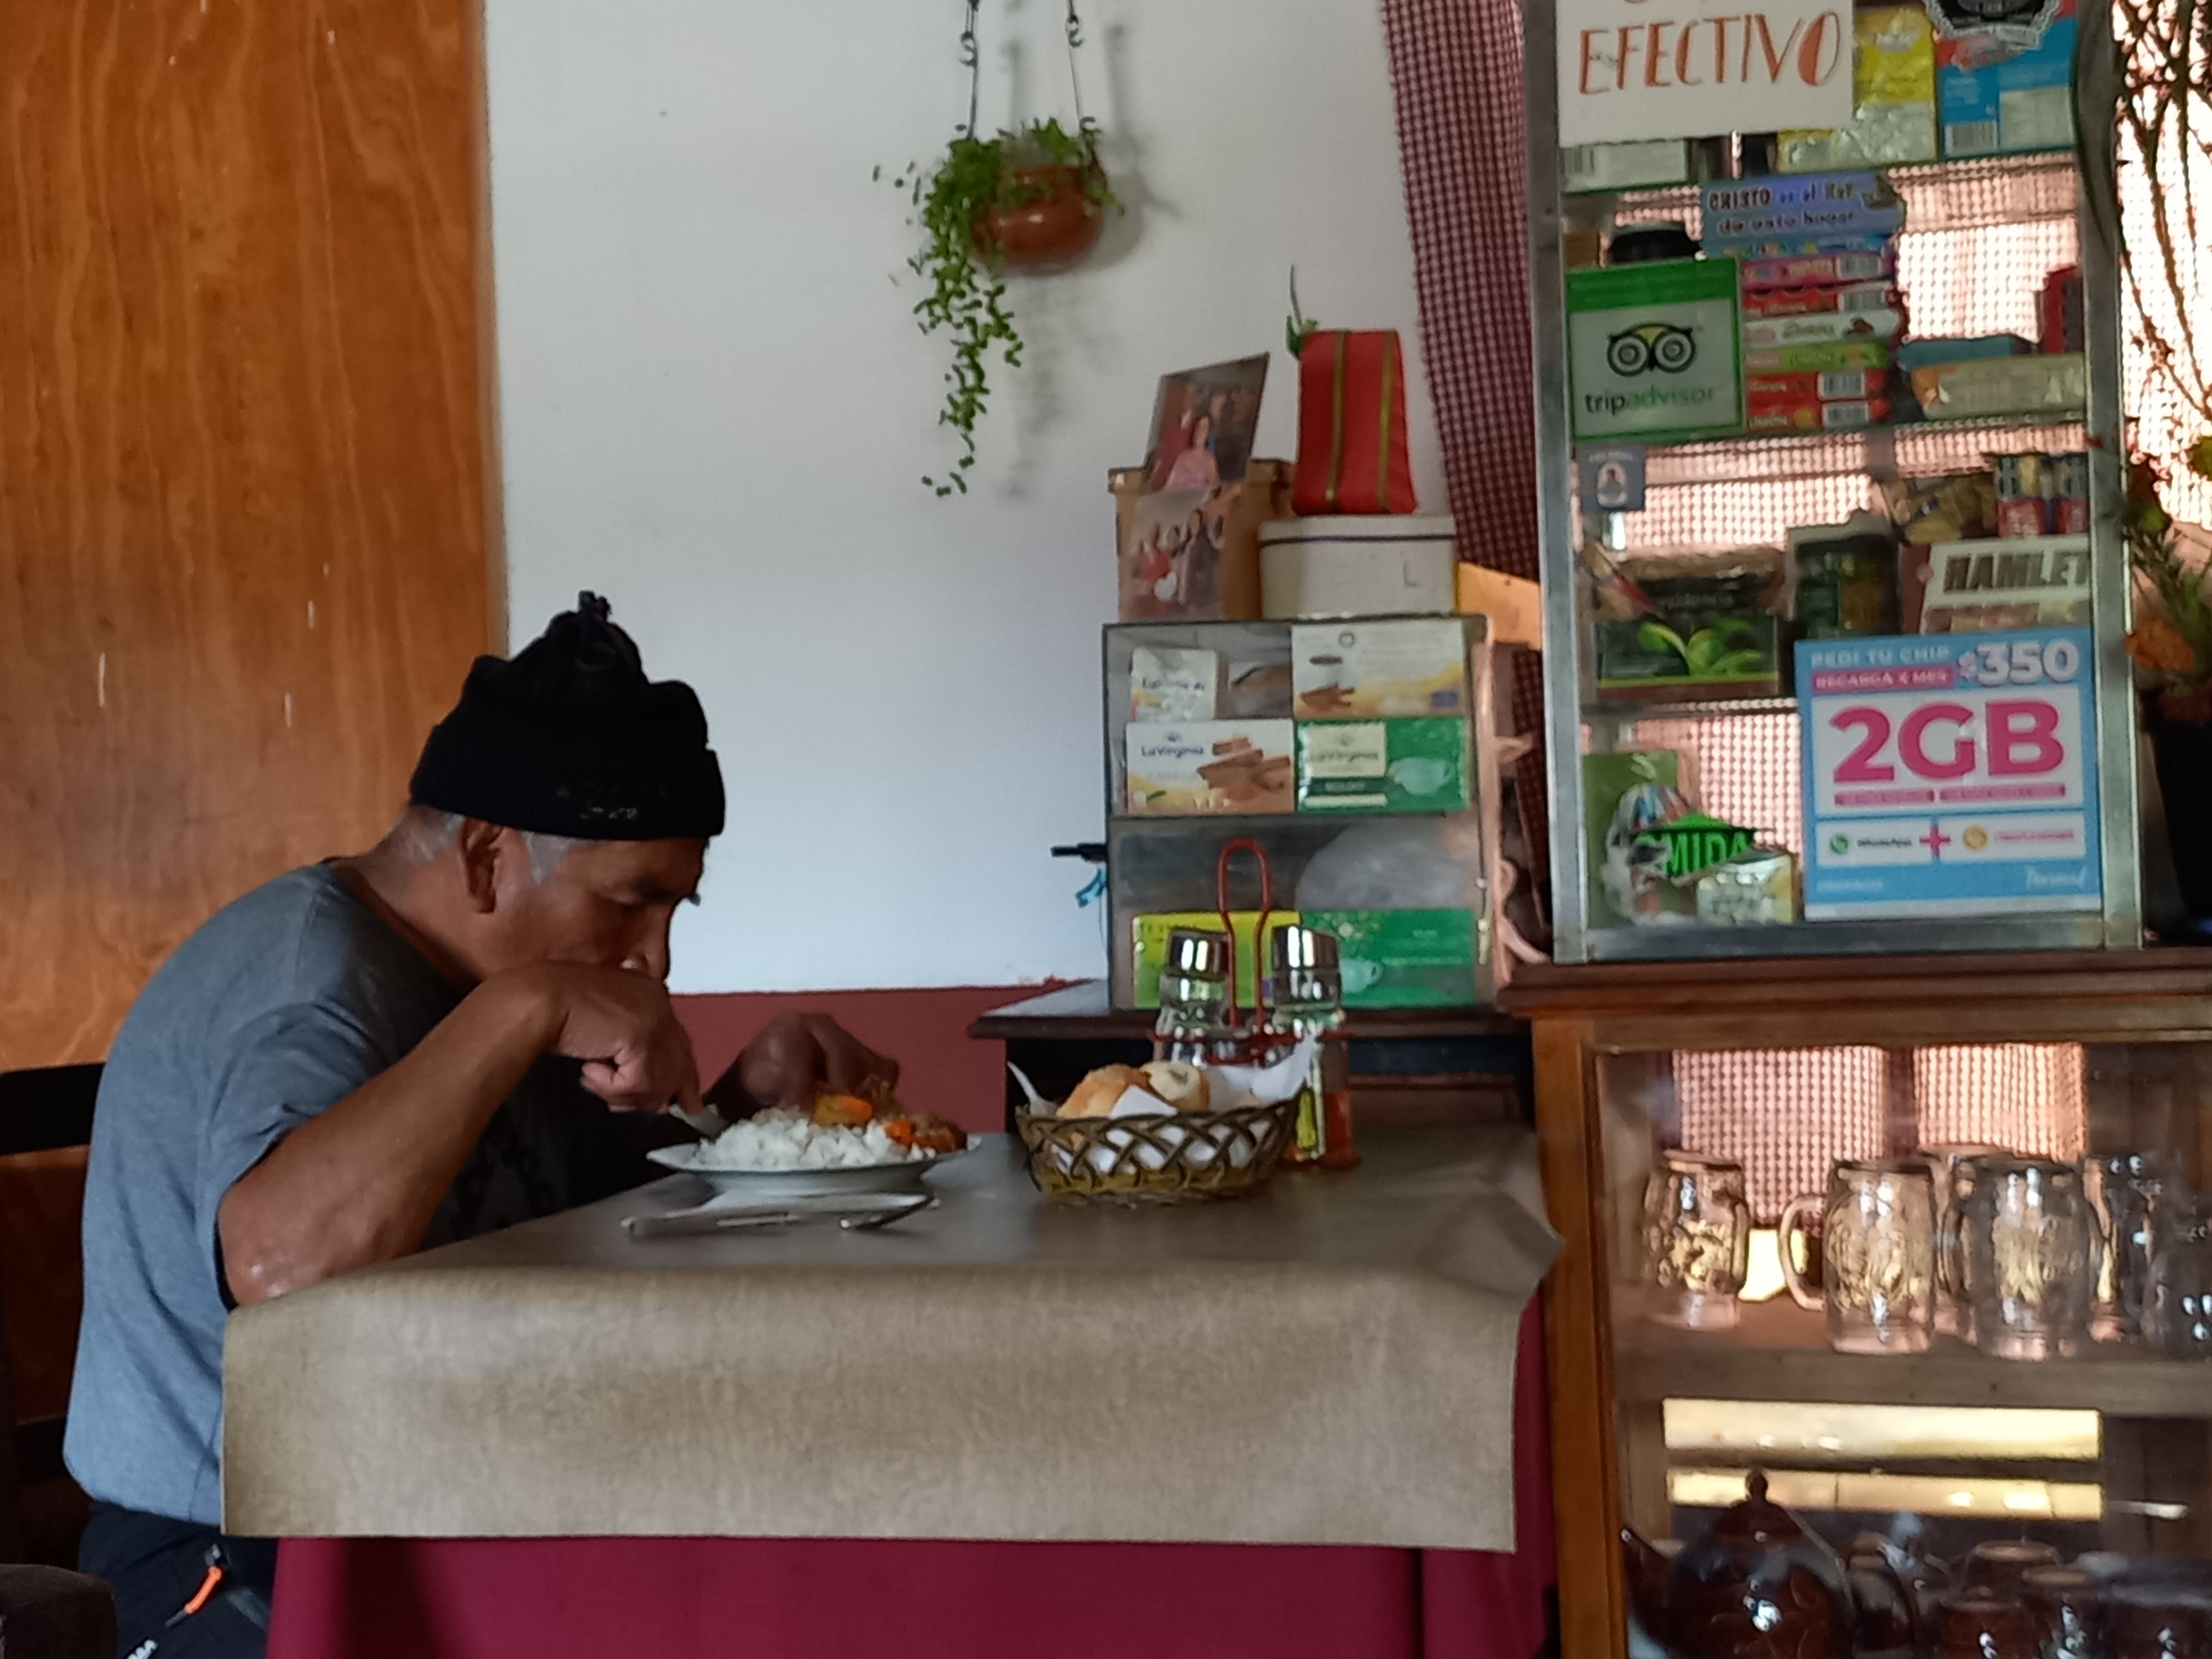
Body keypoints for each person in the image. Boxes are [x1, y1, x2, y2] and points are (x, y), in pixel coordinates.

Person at [66, 594, 896, 1659]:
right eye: (631, 901)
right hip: (224, 1557)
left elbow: (575, 1222)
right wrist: (524, 1009)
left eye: (674, 912)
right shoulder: (313, 983)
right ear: (487, 856)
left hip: (433, 1505)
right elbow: (282, 1266)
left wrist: (738, 1104)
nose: (656, 960)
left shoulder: (496, 973)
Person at [1162, 413, 1219, 492]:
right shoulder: (1183, 456)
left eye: (1204, 428)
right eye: (1198, 427)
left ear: (1208, 433)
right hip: (1176, 500)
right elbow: (1169, 485)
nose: (1200, 432)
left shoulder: (1209, 459)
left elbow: (1214, 486)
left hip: (1195, 501)